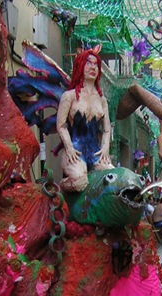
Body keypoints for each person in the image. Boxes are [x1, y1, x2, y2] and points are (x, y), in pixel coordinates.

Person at [56, 47, 113, 192]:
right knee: (79, 182)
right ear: (81, 66)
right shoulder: (69, 96)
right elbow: (61, 125)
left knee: (114, 179)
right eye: (88, 63)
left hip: (96, 152)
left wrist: (105, 148)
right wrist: (69, 148)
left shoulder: (102, 100)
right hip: (75, 151)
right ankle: (58, 188)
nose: (93, 67)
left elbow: (107, 129)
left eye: (96, 64)